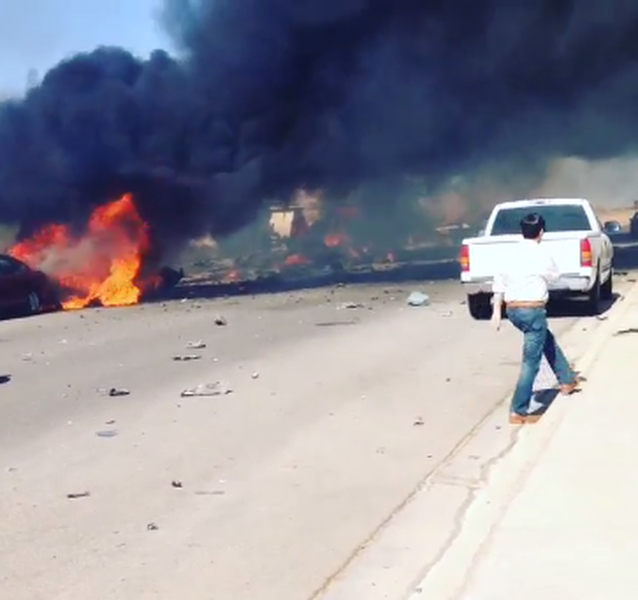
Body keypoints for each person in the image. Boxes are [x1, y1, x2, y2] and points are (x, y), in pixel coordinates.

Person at [491, 212, 581, 425]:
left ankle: (567, 380)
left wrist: (496, 312)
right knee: (531, 362)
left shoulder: (509, 254)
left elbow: (499, 283)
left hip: (513, 311)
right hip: (532, 310)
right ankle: (518, 410)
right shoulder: (542, 253)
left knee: (545, 339)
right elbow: (554, 275)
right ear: (541, 232)